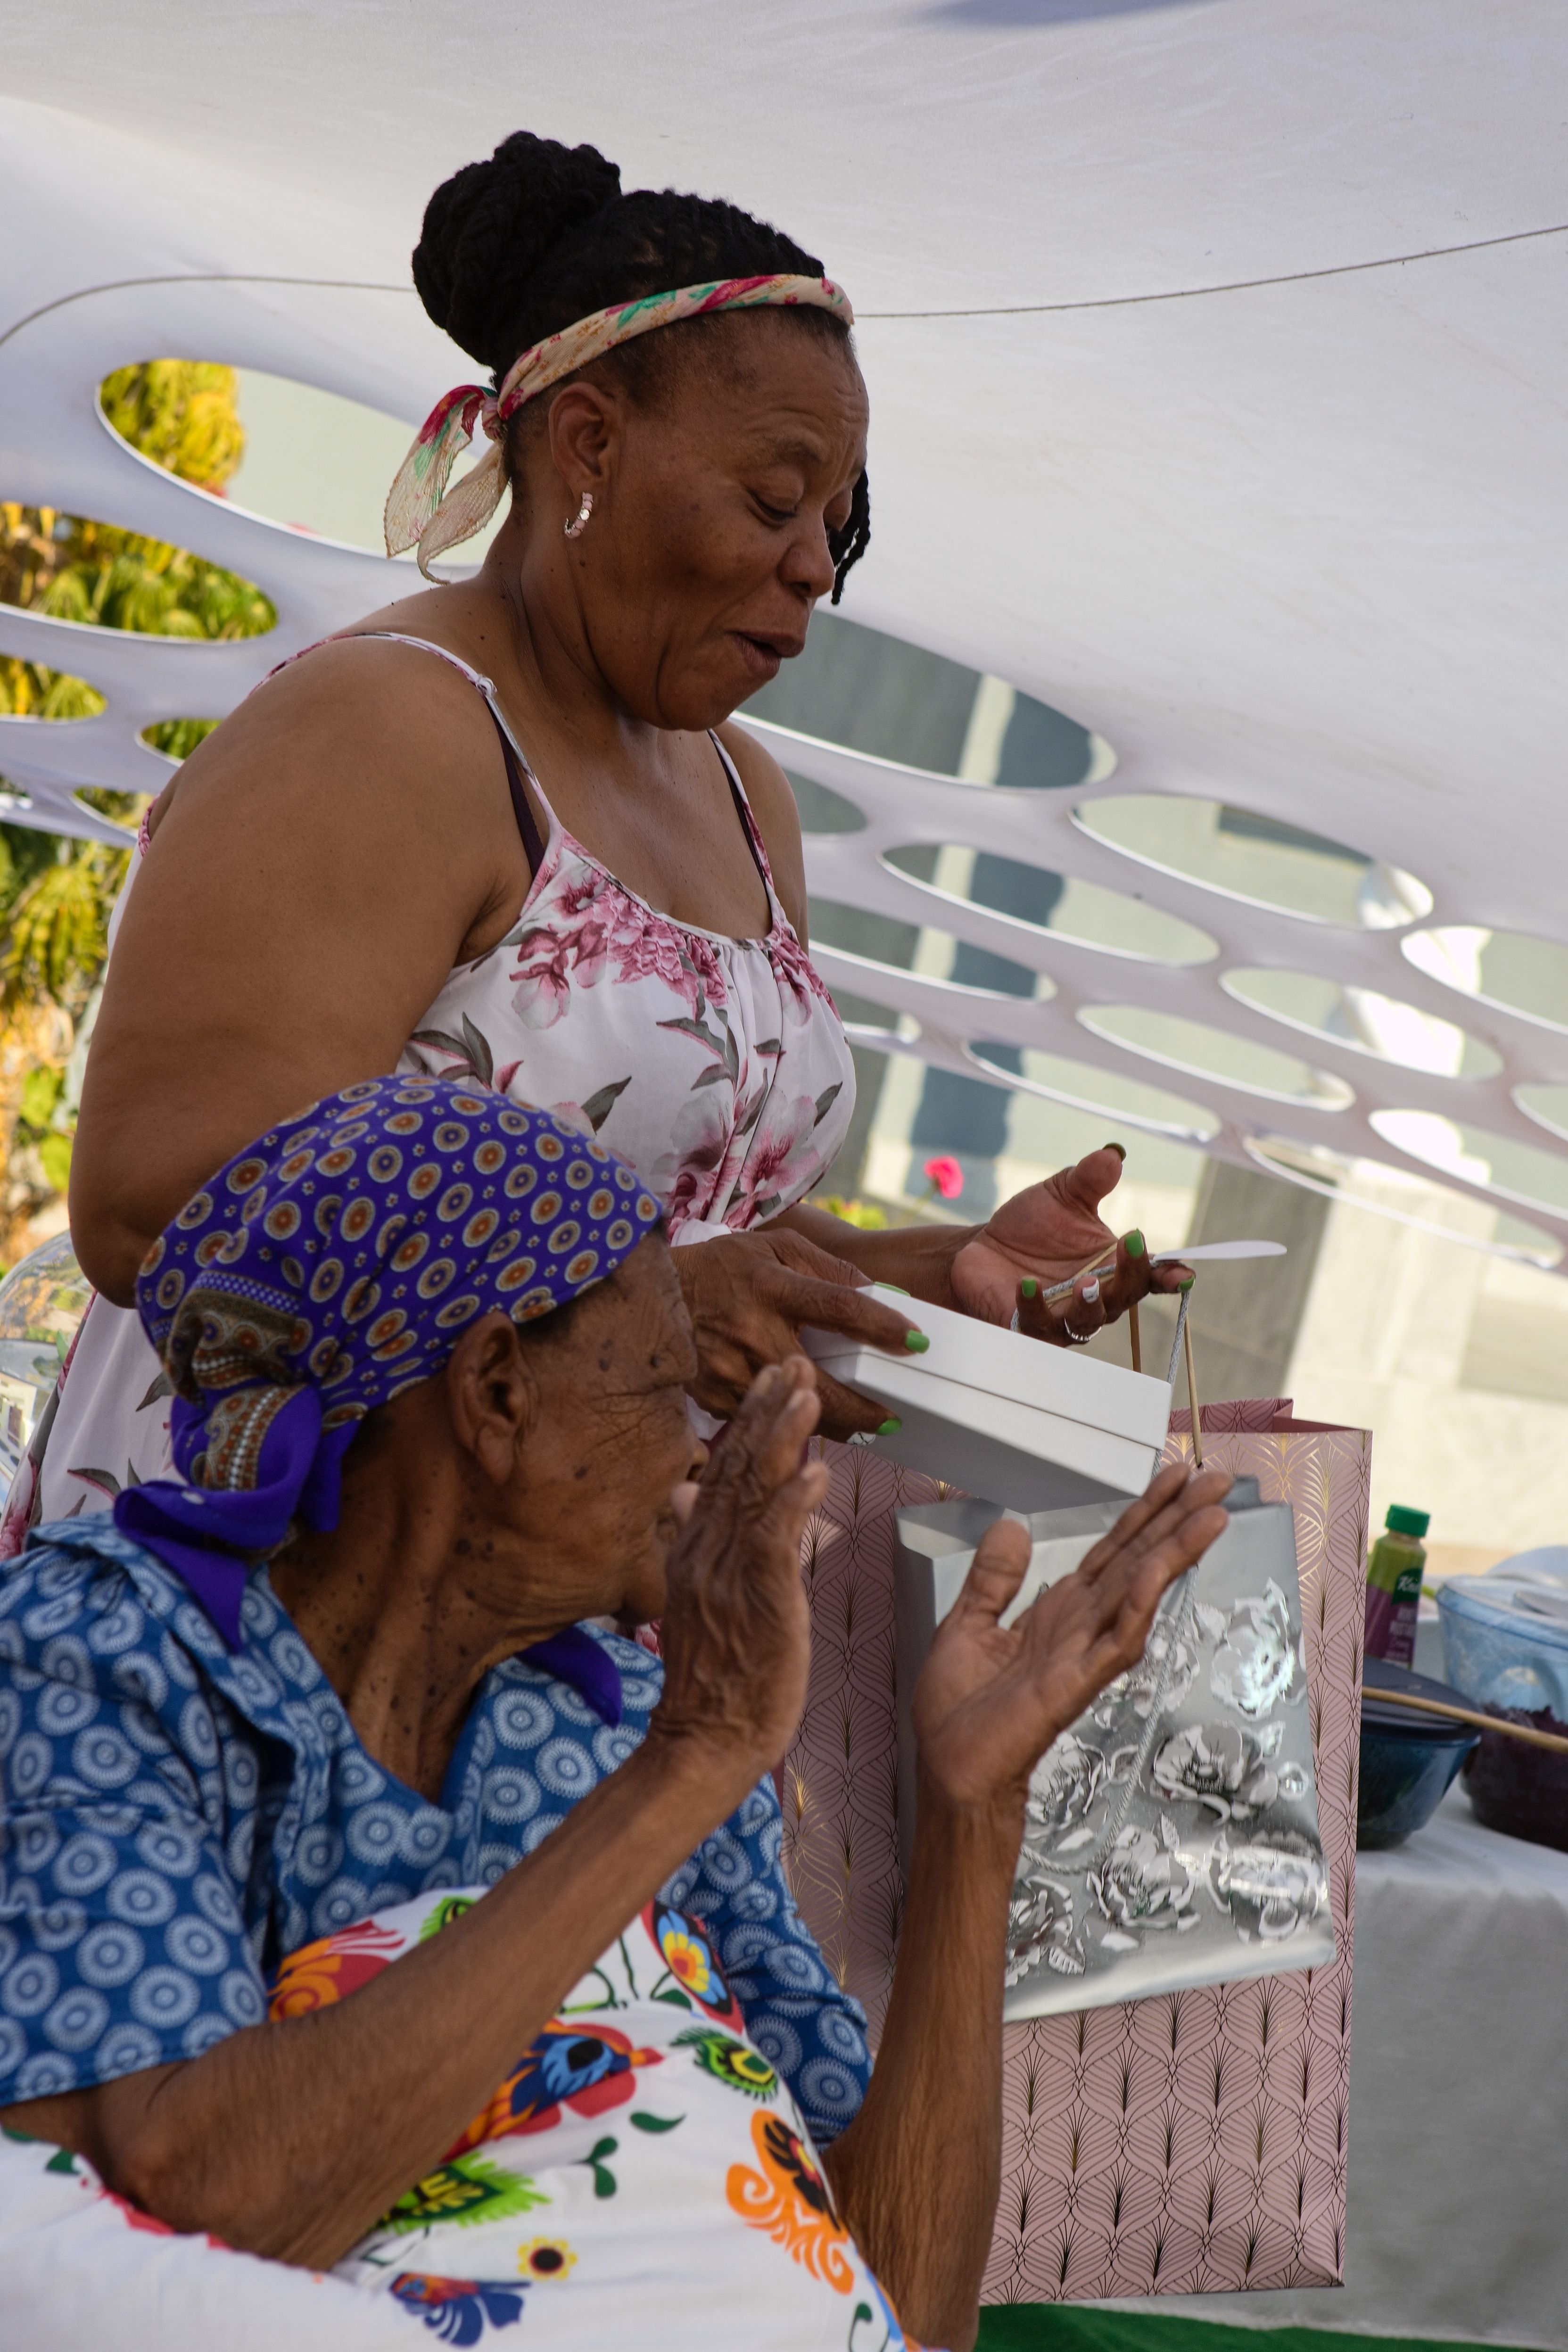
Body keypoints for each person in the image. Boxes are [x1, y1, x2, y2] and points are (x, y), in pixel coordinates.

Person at [25, 128, 1188, 1536]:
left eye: (838, 521)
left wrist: (923, 1278)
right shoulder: (391, 730)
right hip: (280, 1577)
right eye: (775, 501)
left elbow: (685, 1214)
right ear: (589, 444)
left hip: (558, 1593)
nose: (816, 566)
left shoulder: (744, 792)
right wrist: (642, 1315)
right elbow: (158, 1206)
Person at [0, 1079, 1230, 2350]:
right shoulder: (103, 1655)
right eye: (663, 1392)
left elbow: (899, 2298)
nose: (700, 1450)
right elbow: (189, 2201)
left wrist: (978, 1815)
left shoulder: (622, 1714)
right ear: (495, 1394)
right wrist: (695, 1757)